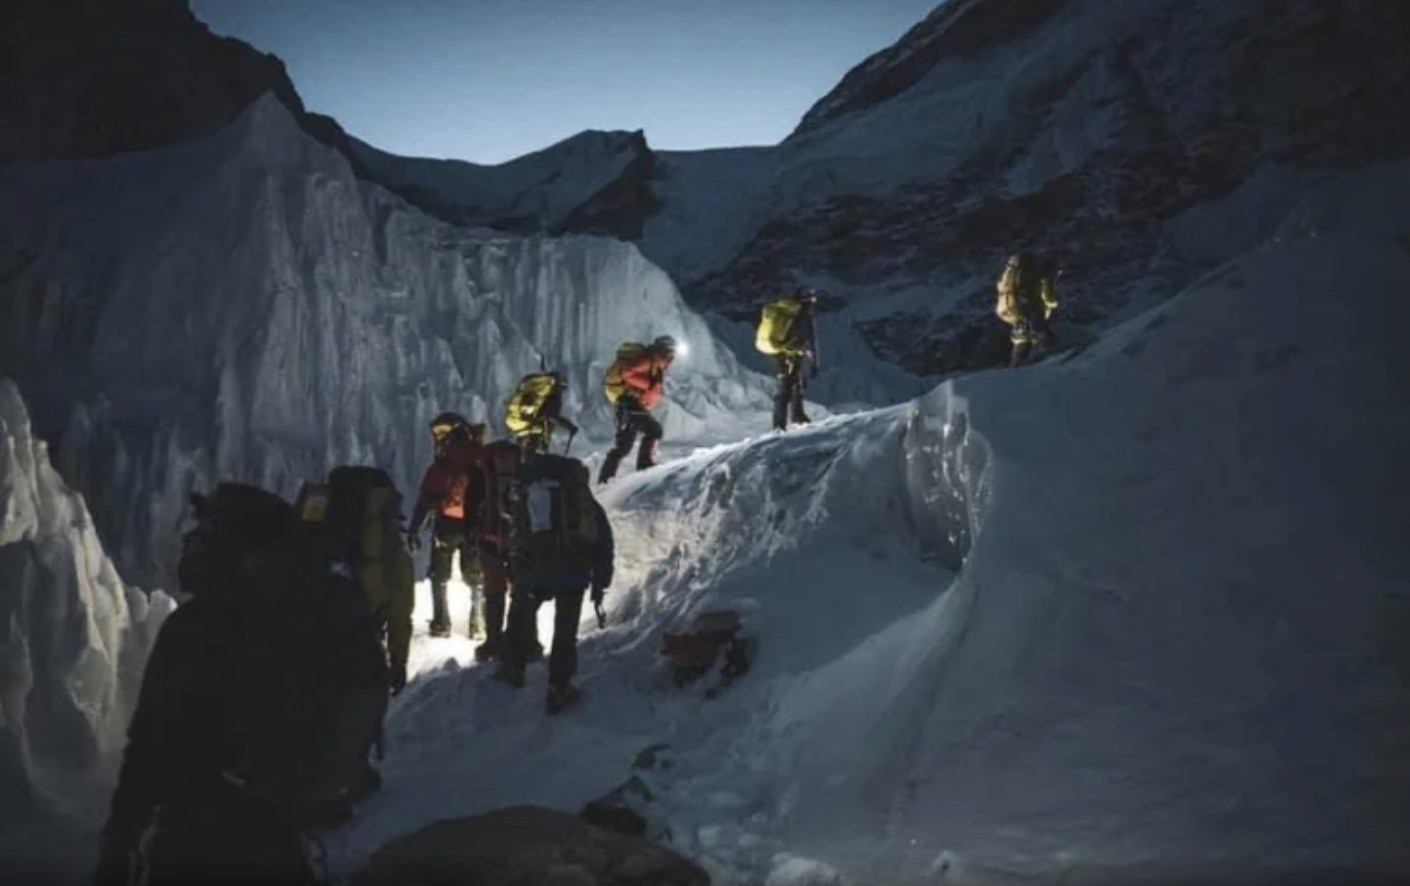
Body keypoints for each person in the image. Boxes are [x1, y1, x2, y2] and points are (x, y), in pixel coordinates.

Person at [96, 484, 387, 886]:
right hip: (282, 835)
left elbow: (150, 743)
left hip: (195, 838)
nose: (194, 539)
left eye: (207, 530)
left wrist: (118, 844)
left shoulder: (197, 629)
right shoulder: (303, 621)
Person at [495, 453, 615, 714]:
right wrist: (601, 580)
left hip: (534, 572)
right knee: (565, 631)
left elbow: (514, 532)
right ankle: (559, 686)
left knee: (520, 614)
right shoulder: (580, 499)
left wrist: (519, 572)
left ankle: (512, 666)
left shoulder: (526, 494)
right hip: (573, 571)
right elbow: (602, 539)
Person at [408, 413, 487, 638]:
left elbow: (426, 499)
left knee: (439, 574)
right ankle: (478, 622)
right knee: (476, 574)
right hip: (475, 524)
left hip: (446, 524)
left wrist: (415, 528)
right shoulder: (480, 458)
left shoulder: (443, 463)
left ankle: (441, 622)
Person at [472, 436, 543, 663]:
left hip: (489, 542)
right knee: (522, 591)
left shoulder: (480, 476)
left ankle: (493, 640)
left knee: (494, 593)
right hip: (519, 542)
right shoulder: (523, 474)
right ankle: (528, 640)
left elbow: (470, 506)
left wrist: (471, 537)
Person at [597, 335, 677, 484]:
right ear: (664, 350)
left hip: (630, 404)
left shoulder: (655, 364)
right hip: (629, 403)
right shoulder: (648, 360)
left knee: (623, 447)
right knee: (654, 430)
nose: (672, 358)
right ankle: (644, 465)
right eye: (671, 353)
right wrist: (648, 385)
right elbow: (626, 372)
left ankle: (604, 480)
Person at [756, 289, 820, 431]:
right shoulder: (802, 315)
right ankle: (779, 425)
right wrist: (814, 363)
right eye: (813, 300)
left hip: (780, 351)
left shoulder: (785, 309)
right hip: (790, 353)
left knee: (796, 382)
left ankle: (797, 416)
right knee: (785, 387)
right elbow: (811, 340)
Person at [995, 250, 1060, 367]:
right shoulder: (1045, 270)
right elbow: (1048, 296)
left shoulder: (1013, 270)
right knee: (1041, 334)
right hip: (1028, 307)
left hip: (1007, 310)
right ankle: (1052, 362)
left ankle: (1015, 369)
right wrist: (1052, 305)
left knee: (1022, 337)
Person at [504, 370, 580, 455]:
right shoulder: (517, 425)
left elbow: (548, 415)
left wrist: (568, 426)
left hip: (537, 391)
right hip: (533, 393)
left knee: (548, 413)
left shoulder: (521, 422)